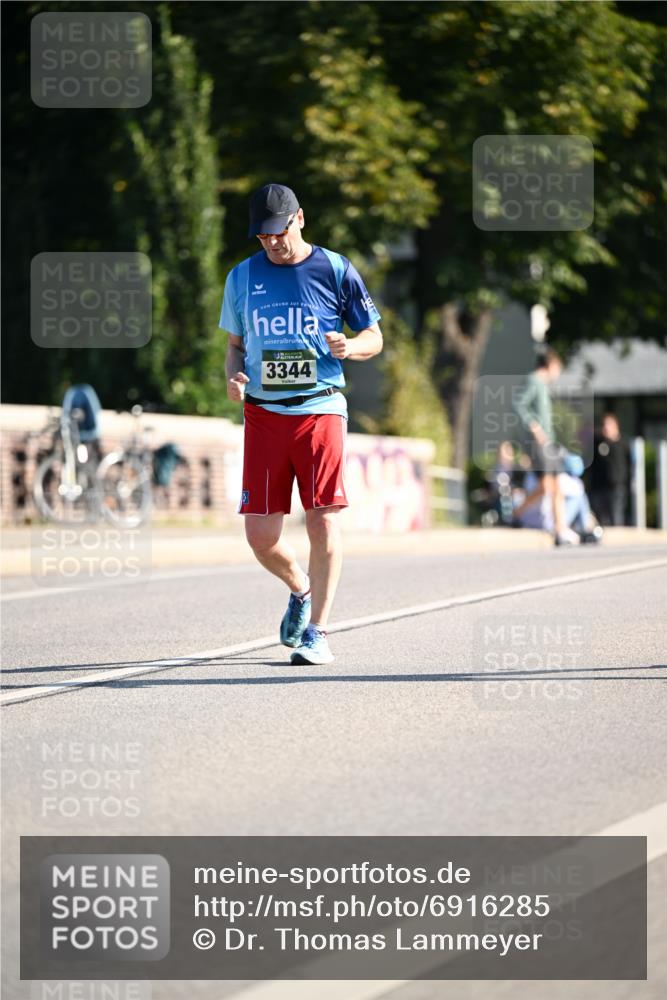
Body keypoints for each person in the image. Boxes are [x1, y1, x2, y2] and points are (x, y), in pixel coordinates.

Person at [219, 184, 383, 665]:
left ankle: (318, 632)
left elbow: (374, 335)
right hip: (264, 415)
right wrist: (234, 378)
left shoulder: (334, 268)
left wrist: (350, 348)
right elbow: (234, 345)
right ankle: (301, 588)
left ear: (300, 219)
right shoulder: (242, 277)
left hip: (320, 407)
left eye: (279, 231)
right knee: (261, 539)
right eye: (263, 235)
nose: (272, 242)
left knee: (323, 517)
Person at [512, 347, 580, 546]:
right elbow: (518, 404)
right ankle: (517, 514)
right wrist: (534, 427)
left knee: (554, 485)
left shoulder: (540, 385)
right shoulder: (534, 381)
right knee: (549, 485)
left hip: (547, 444)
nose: (557, 373)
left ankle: (560, 529)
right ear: (550, 365)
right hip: (539, 445)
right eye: (557, 368)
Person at [589, 413, 630, 526]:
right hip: (599, 487)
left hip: (616, 487)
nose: (606, 428)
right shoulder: (598, 442)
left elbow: (629, 464)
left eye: (609, 425)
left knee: (616, 516)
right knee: (600, 518)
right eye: (604, 425)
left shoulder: (623, 443)